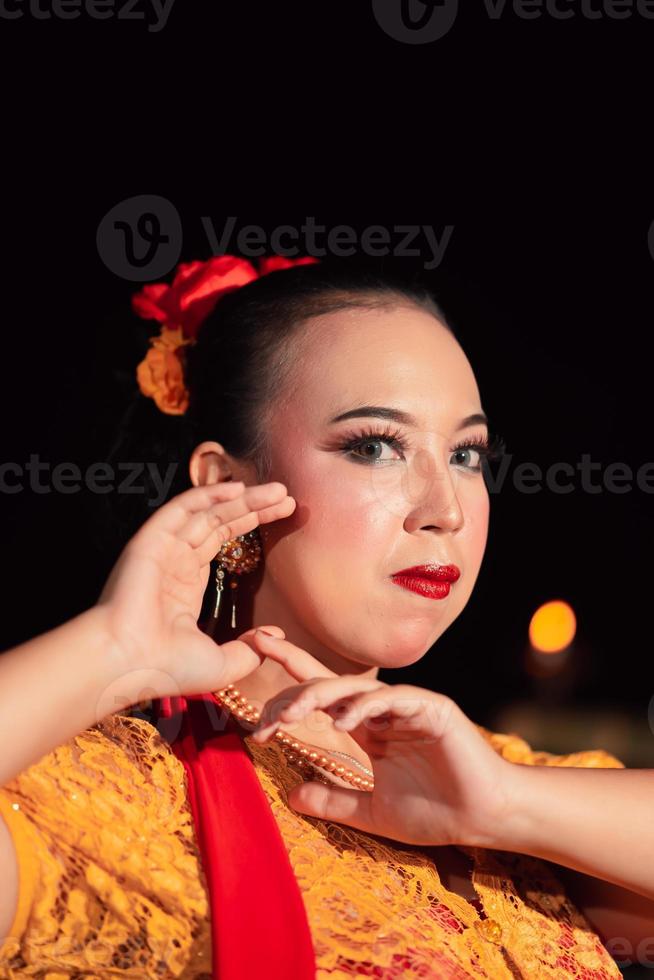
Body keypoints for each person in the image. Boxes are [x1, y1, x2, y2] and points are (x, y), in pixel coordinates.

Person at [1, 255, 652, 979]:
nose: (446, 510)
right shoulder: (111, 801)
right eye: (375, 447)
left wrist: (505, 805)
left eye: (466, 454)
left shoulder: (506, 789)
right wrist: (112, 646)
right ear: (227, 486)